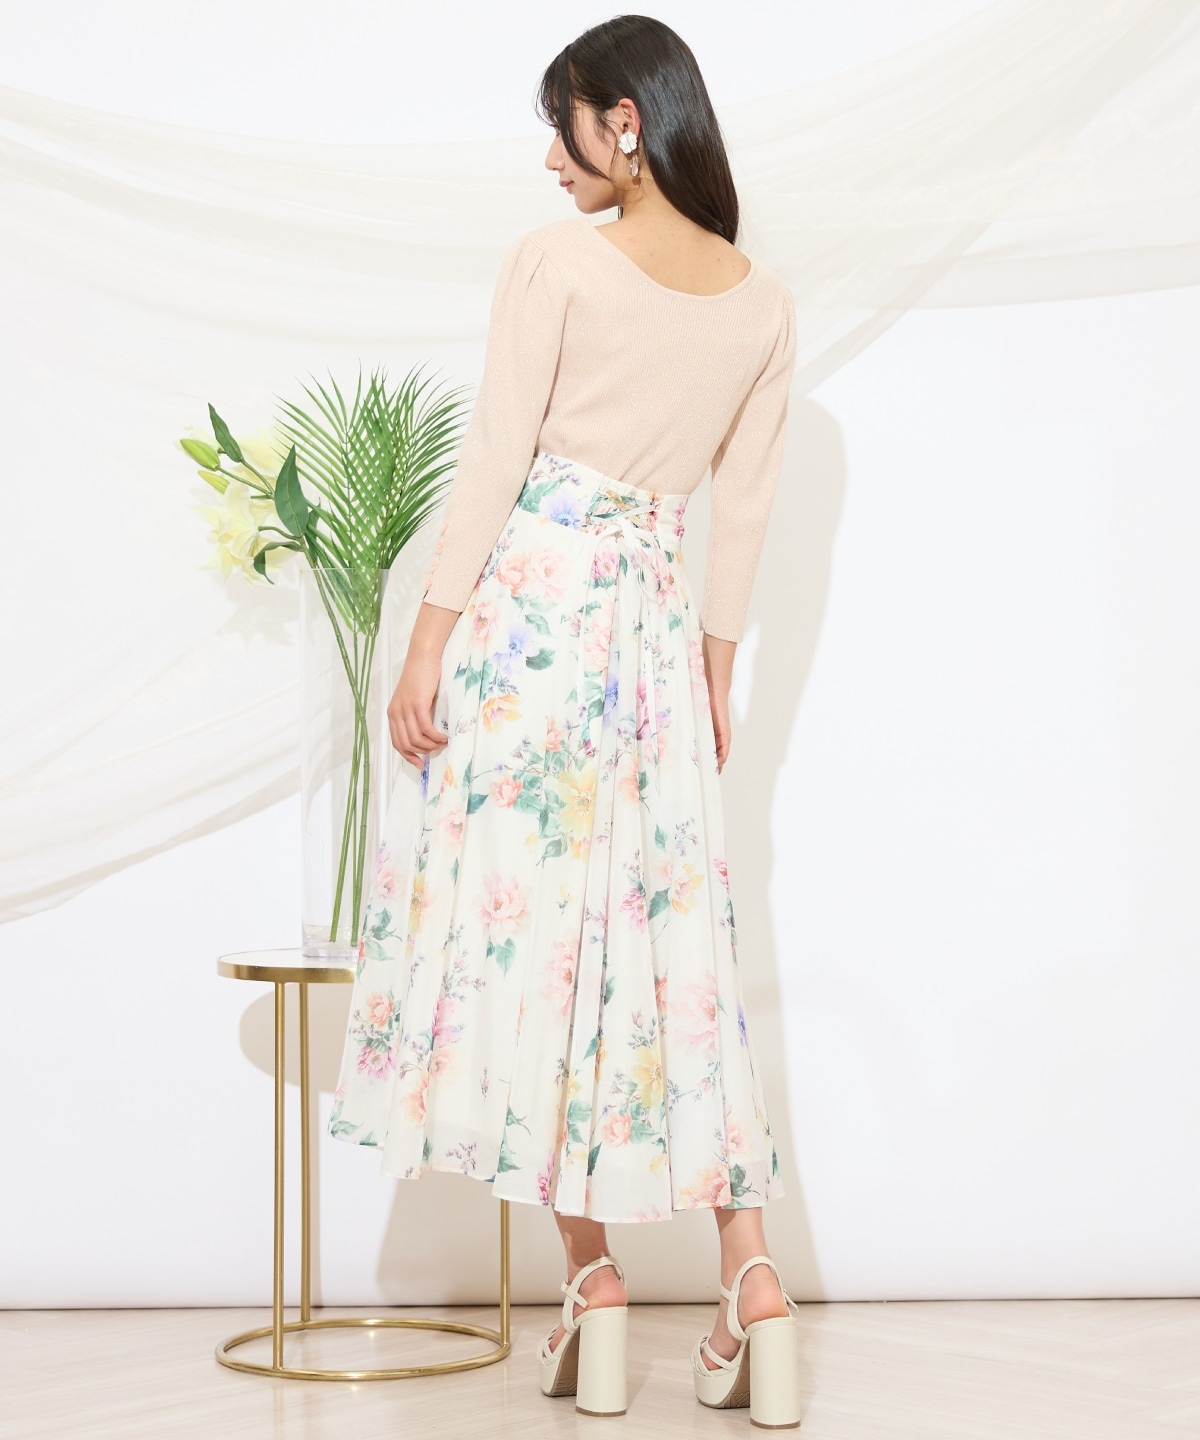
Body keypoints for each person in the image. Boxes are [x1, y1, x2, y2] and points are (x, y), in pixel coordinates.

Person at [329, 15, 802, 1427]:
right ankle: (753, 1281)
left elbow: (495, 456)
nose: (552, 160)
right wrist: (713, 669)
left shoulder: (556, 264)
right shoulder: (765, 305)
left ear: (626, 124)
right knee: (672, 954)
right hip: (653, 636)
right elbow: (743, 511)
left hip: (530, 624)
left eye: (565, 126)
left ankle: (593, 1286)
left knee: (536, 946)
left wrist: (426, 639)